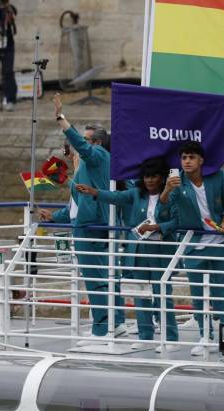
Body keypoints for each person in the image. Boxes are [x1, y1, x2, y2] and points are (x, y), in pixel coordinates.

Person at [40, 95, 124, 346]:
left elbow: (82, 146)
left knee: (96, 278)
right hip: (92, 222)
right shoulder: (89, 166)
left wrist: (61, 118)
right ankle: (116, 322)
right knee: (106, 277)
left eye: (85, 141)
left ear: (97, 142)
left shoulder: (96, 154)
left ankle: (101, 330)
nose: (78, 147)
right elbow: (77, 203)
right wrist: (54, 216)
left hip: (90, 227)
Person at [80, 157, 181, 353]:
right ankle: (146, 337)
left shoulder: (172, 195)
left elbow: (177, 221)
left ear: (162, 178)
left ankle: (171, 338)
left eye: (154, 176)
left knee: (163, 295)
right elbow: (115, 197)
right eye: (147, 176)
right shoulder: (136, 194)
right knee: (140, 294)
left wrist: (158, 226)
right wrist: (94, 192)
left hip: (161, 250)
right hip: (139, 251)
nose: (150, 180)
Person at [163, 141, 224, 356]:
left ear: (201, 160)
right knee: (198, 296)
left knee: (223, 295)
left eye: (191, 157)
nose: (187, 161)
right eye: (184, 158)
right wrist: (167, 188)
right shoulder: (178, 182)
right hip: (194, 245)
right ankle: (205, 337)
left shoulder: (218, 176)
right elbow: (164, 206)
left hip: (220, 244)